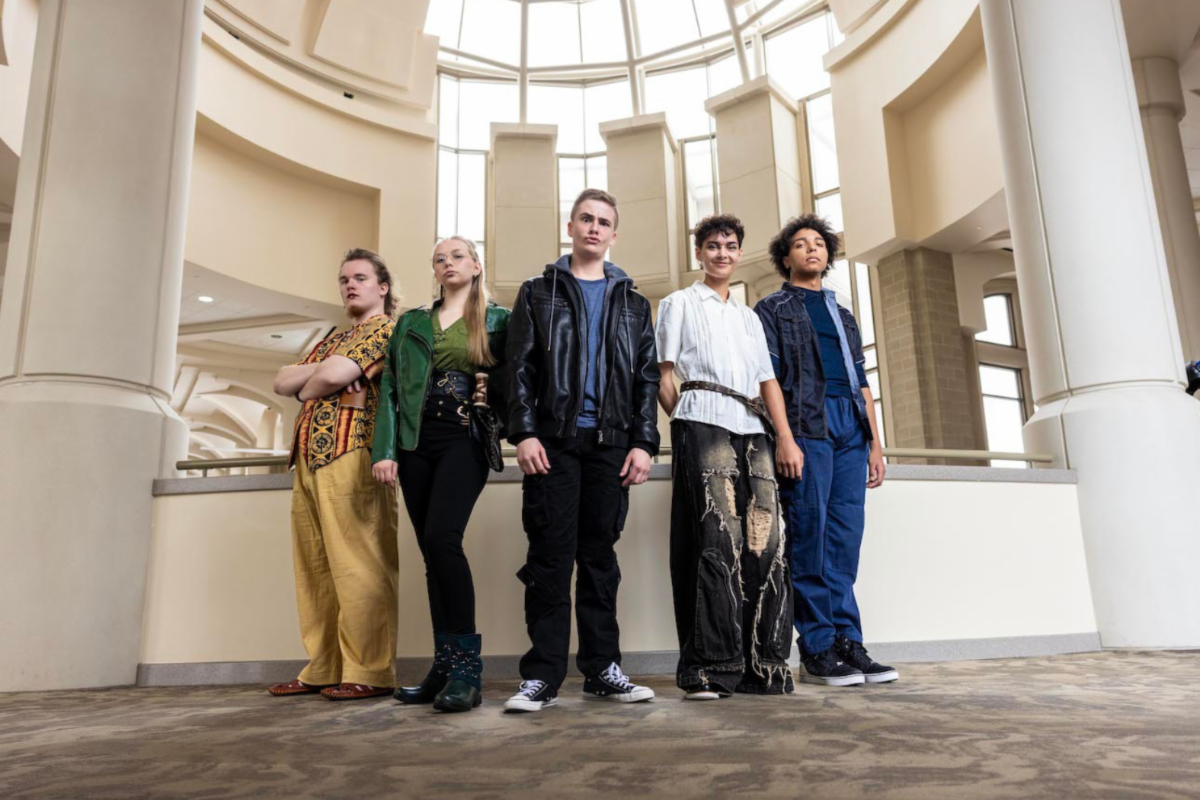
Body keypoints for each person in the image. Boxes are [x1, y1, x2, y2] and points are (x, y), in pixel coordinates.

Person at [502, 188, 661, 713]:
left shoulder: (635, 303)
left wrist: (643, 442)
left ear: (614, 235)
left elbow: (644, 380)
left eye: (604, 222)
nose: (594, 228)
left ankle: (602, 670)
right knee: (550, 557)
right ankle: (541, 678)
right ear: (570, 226)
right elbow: (518, 369)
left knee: (599, 559)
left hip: (612, 445)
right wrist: (523, 432)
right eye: (586, 219)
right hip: (553, 442)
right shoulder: (536, 292)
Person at [655, 214, 802, 699]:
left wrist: (785, 437)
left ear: (740, 254)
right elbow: (664, 375)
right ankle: (711, 669)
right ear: (699, 253)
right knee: (716, 538)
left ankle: (765, 666)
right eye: (713, 245)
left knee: (765, 543)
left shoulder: (749, 316)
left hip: (754, 428)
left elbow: (767, 382)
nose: (722, 253)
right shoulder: (678, 303)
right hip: (703, 419)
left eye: (731, 245)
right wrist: (689, 421)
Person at [754, 215, 895, 687]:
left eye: (819, 244)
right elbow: (767, 378)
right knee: (810, 539)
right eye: (800, 244)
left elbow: (862, 382)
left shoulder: (844, 314)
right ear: (786, 257)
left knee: (843, 541)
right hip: (807, 427)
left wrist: (874, 442)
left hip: (850, 428)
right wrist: (785, 438)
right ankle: (816, 647)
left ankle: (848, 642)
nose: (812, 250)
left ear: (828, 255)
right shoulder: (771, 309)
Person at [371, 236, 509, 713]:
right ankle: (444, 666)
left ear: (476, 265)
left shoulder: (498, 319)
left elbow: (516, 379)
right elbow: (390, 386)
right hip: (414, 442)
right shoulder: (411, 322)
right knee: (432, 552)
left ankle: (469, 671)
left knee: (443, 538)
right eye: (439, 258)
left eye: (456, 256)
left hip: (463, 437)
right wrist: (384, 450)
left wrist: (502, 423)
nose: (447, 263)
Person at [268, 248, 399, 701]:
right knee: (315, 568)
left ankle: (369, 670)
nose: (350, 285)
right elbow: (281, 380)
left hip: (354, 452)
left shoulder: (387, 328)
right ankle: (323, 666)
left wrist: (317, 380)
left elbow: (331, 376)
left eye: (360, 277)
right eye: (344, 279)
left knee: (359, 565)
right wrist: (317, 377)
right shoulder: (331, 337)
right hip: (306, 457)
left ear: (382, 287)